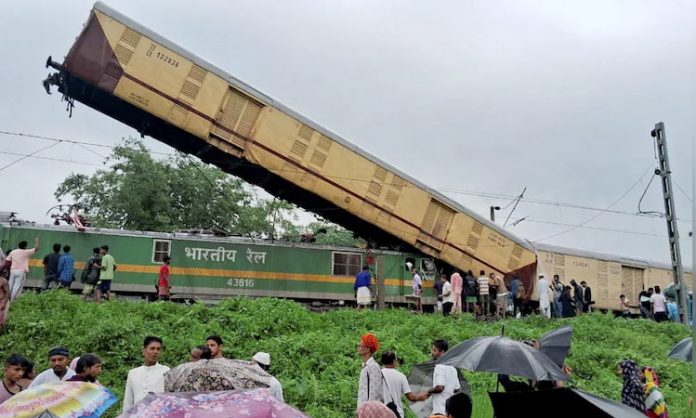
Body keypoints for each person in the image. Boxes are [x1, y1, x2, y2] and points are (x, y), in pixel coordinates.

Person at [123, 336, 170, 411]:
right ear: (143, 351)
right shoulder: (133, 373)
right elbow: (128, 401)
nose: (155, 352)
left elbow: (170, 399)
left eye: (158, 349)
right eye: (152, 348)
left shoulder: (166, 371)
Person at [381, 351, 428, 417]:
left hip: (380, 413)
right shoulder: (401, 376)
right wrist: (419, 397)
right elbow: (410, 397)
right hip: (396, 413)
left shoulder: (377, 375)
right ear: (394, 361)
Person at [427, 340, 461, 416]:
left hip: (439, 410)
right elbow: (457, 388)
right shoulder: (453, 368)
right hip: (449, 411)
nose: (432, 352)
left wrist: (428, 391)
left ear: (441, 352)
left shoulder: (439, 366)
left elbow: (440, 387)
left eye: (434, 350)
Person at [357, 332, 383, 407]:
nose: (358, 347)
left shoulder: (373, 367)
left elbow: (374, 393)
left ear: (368, 349)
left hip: (369, 411)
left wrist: (369, 410)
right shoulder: (365, 367)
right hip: (363, 410)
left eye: (360, 345)